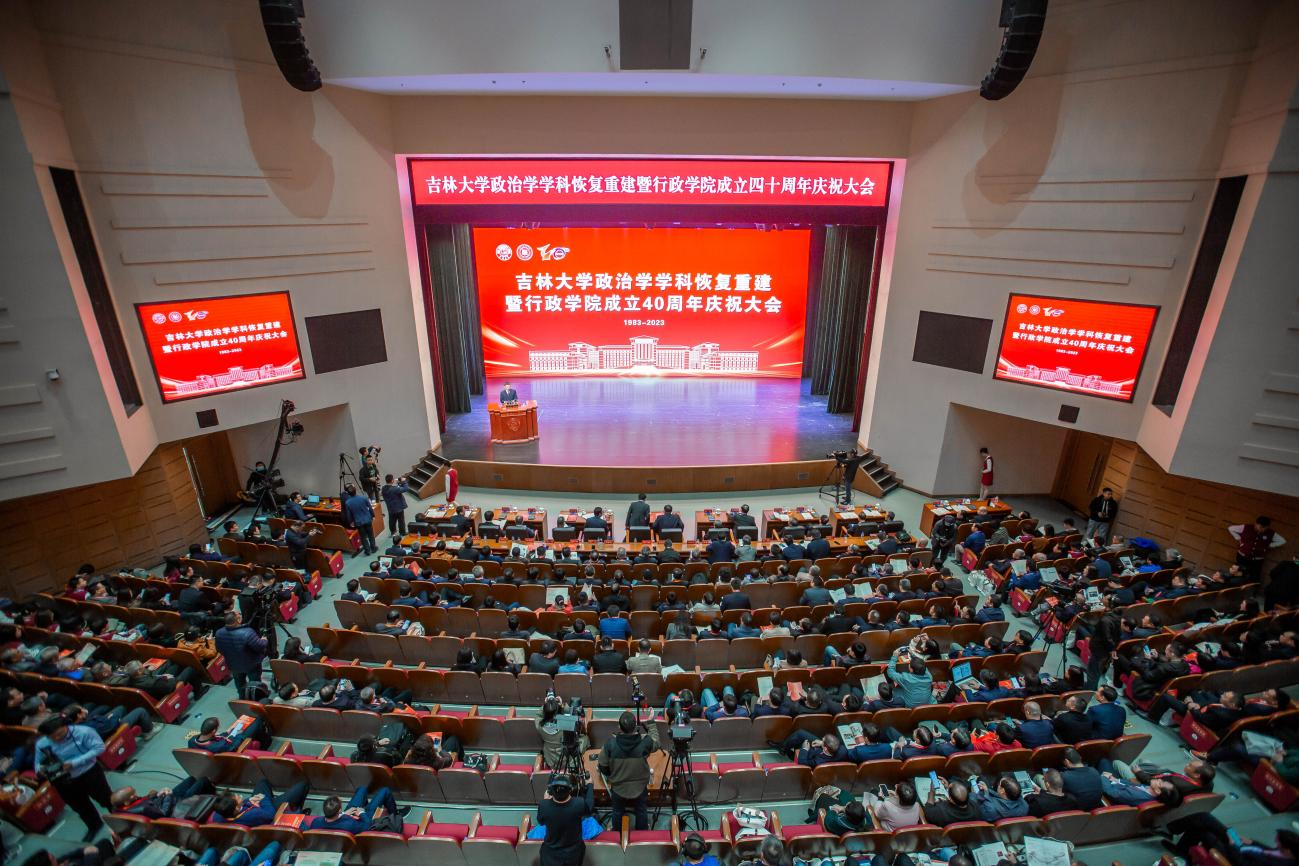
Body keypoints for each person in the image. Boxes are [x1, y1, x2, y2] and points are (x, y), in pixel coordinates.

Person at [35, 715, 112, 840]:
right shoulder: (42, 743)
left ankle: (120, 816)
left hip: (89, 772)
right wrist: (40, 770)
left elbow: (99, 747)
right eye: (52, 737)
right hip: (62, 780)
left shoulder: (84, 732)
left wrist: (74, 763)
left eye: (59, 734)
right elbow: (37, 764)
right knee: (80, 807)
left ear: (66, 725)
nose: (56, 738)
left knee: (106, 798)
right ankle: (95, 826)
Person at [597, 710, 661, 831]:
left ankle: (617, 832)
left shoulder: (610, 744)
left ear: (619, 727)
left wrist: (612, 775)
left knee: (617, 811)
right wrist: (651, 722)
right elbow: (656, 742)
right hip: (640, 787)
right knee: (641, 810)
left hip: (618, 787)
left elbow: (602, 765)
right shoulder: (645, 742)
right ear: (635, 726)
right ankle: (641, 834)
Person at [536, 774, 594, 866]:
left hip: (550, 856)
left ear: (551, 791)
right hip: (574, 855)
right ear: (570, 790)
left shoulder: (544, 805)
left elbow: (541, 822)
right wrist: (590, 785)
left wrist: (546, 800)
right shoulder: (579, 803)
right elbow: (589, 808)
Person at [214, 610, 269, 698]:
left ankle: (242, 697)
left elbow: (218, 649)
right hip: (251, 664)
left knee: (239, 683)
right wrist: (264, 640)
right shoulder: (247, 632)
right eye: (239, 615)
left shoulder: (219, 633)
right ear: (238, 620)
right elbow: (260, 646)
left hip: (233, 664)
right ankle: (257, 698)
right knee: (255, 682)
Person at [109, 775, 216, 818]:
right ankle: (214, 802)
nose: (136, 795)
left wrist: (158, 793)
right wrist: (168, 796)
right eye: (133, 795)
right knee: (203, 781)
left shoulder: (122, 807)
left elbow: (148, 801)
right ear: (126, 802)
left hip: (163, 801)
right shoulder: (143, 809)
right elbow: (164, 814)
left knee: (191, 779)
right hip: (176, 807)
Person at [307, 786, 401, 833]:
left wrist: (344, 814)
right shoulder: (350, 825)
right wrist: (362, 813)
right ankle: (395, 815)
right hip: (363, 818)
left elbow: (333, 821)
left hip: (347, 815)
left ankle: (365, 807)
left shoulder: (316, 822)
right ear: (338, 810)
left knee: (362, 789)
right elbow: (368, 826)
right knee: (385, 791)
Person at [343, 483, 377, 555]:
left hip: (358, 522)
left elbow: (349, 514)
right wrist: (373, 515)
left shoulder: (348, 502)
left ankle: (367, 551)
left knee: (363, 537)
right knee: (371, 535)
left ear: (348, 494)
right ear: (355, 491)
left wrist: (351, 522)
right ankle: (373, 548)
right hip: (367, 519)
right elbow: (370, 508)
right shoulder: (364, 498)